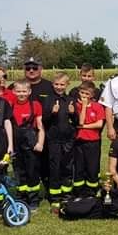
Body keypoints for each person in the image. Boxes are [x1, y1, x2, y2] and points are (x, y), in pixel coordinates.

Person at [43, 72, 76, 206]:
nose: (59, 87)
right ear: (52, 84)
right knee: (55, 167)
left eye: (62, 84)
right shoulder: (48, 100)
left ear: (67, 85)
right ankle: (55, 196)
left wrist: (73, 113)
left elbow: (76, 121)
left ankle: (66, 193)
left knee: (67, 166)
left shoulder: (70, 100)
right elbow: (44, 120)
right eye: (56, 84)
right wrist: (52, 113)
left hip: (68, 139)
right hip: (54, 139)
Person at [11, 79, 45, 210]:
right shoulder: (10, 105)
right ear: (14, 92)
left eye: (24, 91)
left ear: (29, 92)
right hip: (16, 143)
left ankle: (33, 199)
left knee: (32, 171)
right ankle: (21, 197)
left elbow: (40, 126)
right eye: (18, 91)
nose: (21, 94)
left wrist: (40, 143)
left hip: (31, 143)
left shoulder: (35, 105)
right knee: (19, 171)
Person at [73, 82, 105, 197]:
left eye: (87, 94)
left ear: (92, 95)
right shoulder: (76, 106)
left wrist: (84, 127)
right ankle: (79, 191)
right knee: (79, 167)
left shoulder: (97, 106)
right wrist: (84, 107)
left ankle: (91, 190)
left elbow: (99, 124)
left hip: (93, 141)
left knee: (92, 167)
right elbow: (80, 121)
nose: (84, 96)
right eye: (82, 93)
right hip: (79, 141)